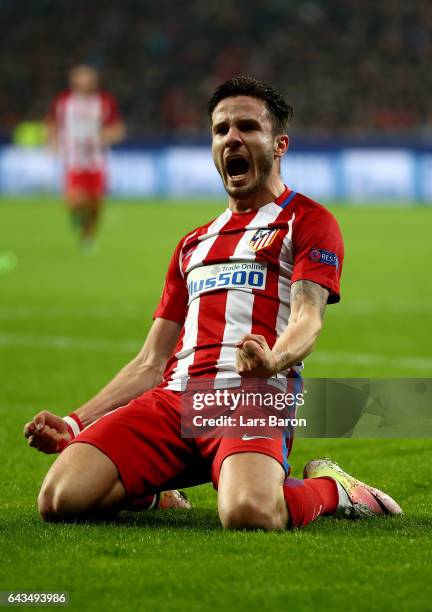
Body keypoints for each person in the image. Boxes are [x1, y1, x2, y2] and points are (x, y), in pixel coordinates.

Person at [25, 76, 402, 528]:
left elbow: (308, 318)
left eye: (247, 127)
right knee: (59, 499)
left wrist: (274, 359)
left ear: (279, 144)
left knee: (249, 513)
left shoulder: (308, 221)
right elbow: (151, 361)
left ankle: (335, 489)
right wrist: (74, 422)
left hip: (254, 395)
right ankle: (150, 491)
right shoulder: (193, 244)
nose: (232, 138)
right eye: (221, 129)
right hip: (175, 400)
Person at [46, 65, 125, 251]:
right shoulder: (64, 102)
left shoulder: (104, 102)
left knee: (95, 203)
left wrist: (106, 136)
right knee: (76, 200)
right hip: (73, 159)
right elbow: (51, 123)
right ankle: (76, 216)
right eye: (80, 82)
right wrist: (52, 143)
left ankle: (87, 238)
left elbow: (117, 129)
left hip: (96, 160)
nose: (84, 86)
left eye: (88, 82)